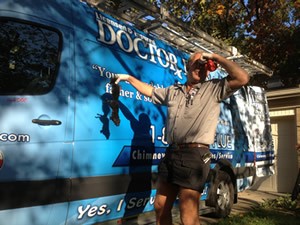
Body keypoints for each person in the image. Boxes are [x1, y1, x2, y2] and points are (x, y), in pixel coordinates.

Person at [115, 51, 249, 225]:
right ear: (187, 66)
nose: (200, 68)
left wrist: (215, 58)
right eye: (197, 63)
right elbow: (150, 92)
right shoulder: (174, 91)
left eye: (204, 65)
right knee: (160, 206)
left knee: (188, 214)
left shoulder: (214, 88)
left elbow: (243, 78)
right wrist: (129, 78)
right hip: (172, 154)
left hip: (195, 156)